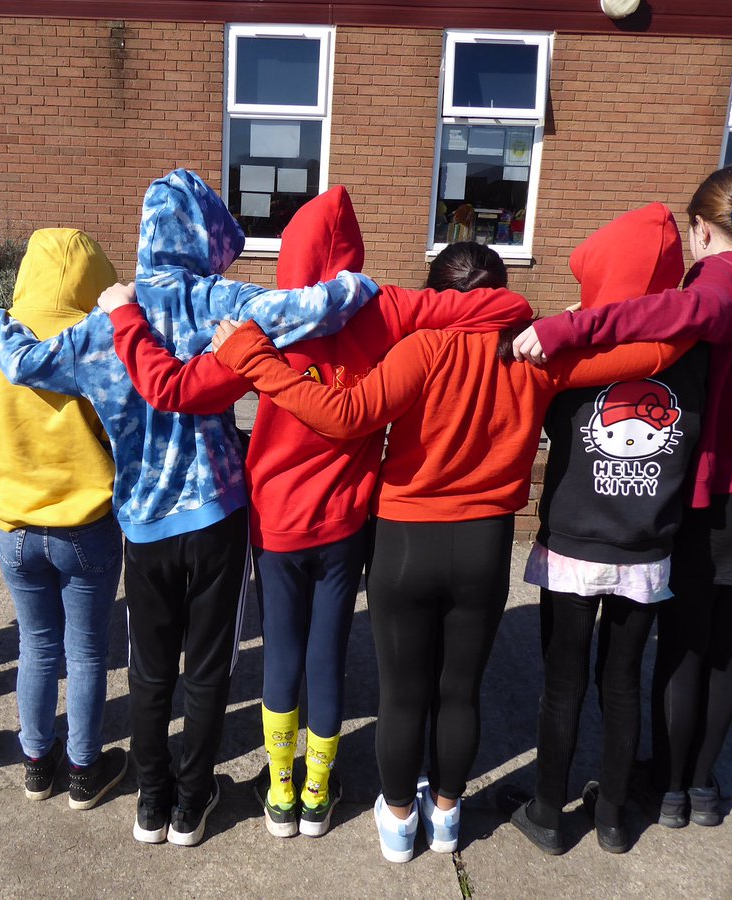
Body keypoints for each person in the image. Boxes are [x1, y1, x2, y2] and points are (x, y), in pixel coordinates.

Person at [209, 242, 687, 864]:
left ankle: (398, 825)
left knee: (401, 693)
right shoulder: (536, 352)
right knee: (460, 690)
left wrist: (252, 358)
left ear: (436, 293)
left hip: (406, 540)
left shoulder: (423, 347)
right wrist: (595, 320)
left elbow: (344, 413)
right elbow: (656, 350)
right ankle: (445, 816)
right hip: (484, 545)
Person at [100, 187, 529, 842]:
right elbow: (474, 306)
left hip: (276, 524)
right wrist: (528, 311)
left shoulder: (264, 321)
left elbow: (174, 389)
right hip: (348, 524)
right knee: (328, 654)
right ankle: (317, 791)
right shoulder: (382, 310)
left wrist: (128, 318)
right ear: (353, 254)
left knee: (281, 654)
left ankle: (280, 793)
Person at [0, 169, 378, 847]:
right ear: (203, 233)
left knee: (151, 666)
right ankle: (194, 800)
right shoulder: (222, 300)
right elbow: (317, 307)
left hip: (143, 521)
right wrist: (360, 286)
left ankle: (153, 802)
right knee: (210, 665)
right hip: (217, 512)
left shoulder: (103, 324)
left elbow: (24, 363)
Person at [512, 164, 732, 828]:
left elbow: (691, 311)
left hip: (722, 497)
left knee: (683, 648)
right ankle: (697, 788)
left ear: (699, 228)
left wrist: (570, 327)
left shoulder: (723, 278)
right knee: (721, 648)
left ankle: (665, 795)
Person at [499, 203, 706, 855]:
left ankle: (547, 813)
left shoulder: (569, 346)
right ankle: (614, 818)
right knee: (621, 682)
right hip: (646, 544)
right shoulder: (698, 350)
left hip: (573, 543)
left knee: (562, 682)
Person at [0, 229, 127, 809]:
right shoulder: (95, 342)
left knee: (37, 645)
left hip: (13, 528)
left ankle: (35, 761)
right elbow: (121, 433)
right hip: (86, 526)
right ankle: (84, 769)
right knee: (85, 653)